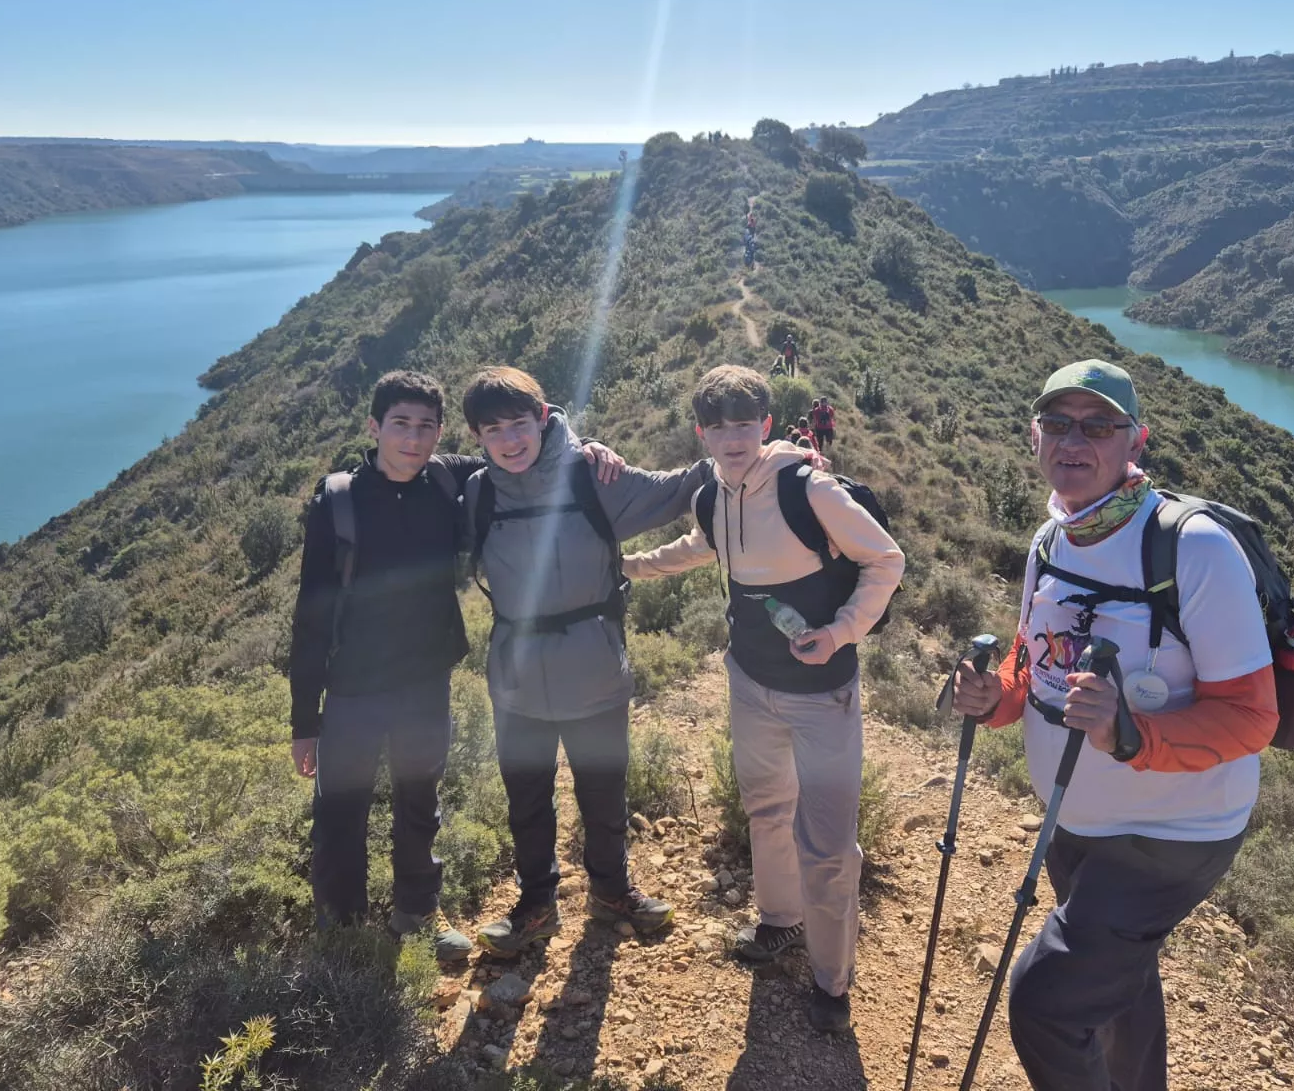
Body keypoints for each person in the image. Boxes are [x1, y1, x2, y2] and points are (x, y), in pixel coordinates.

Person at [950, 358, 1278, 1091]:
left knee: (1047, 1003)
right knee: (1114, 987)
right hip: (1073, 821)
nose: (1075, 440)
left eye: (1098, 426)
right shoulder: (1051, 537)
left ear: (1137, 441)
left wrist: (1132, 736)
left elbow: (1253, 717)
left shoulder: (1192, 549)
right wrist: (994, 698)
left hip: (1171, 836)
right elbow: (1034, 662)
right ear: (1034, 436)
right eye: (1058, 423)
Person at [288, 370, 625, 960]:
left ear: (441, 433)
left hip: (424, 683)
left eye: (425, 427)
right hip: (351, 690)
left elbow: (524, 451)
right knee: (340, 818)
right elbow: (310, 615)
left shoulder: (452, 480)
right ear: (374, 428)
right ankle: (341, 940)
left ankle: (416, 920)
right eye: (400, 425)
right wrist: (303, 719)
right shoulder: (337, 500)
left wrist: (586, 448)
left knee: (419, 807)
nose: (413, 440)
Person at [623, 364, 904, 1034]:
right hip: (749, 683)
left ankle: (832, 985)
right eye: (717, 426)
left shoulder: (809, 489)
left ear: (766, 424)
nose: (732, 438)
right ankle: (780, 922)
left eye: (744, 423)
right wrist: (629, 567)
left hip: (821, 694)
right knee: (767, 812)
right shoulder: (712, 494)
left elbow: (885, 560)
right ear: (701, 433)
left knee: (830, 848)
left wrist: (839, 633)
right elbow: (704, 546)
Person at [460, 366, 715, 957]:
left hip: (594, 671)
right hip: (517, 678)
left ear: (542, 418)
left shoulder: (594, 479)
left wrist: (766, 452)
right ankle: (536, 905)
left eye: (519, 424)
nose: (510, 440)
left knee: (603, 793)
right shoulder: (476, 492)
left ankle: (611, 892)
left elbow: (680, 488)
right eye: (493, 430)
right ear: (477, 437)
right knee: (526, 799)